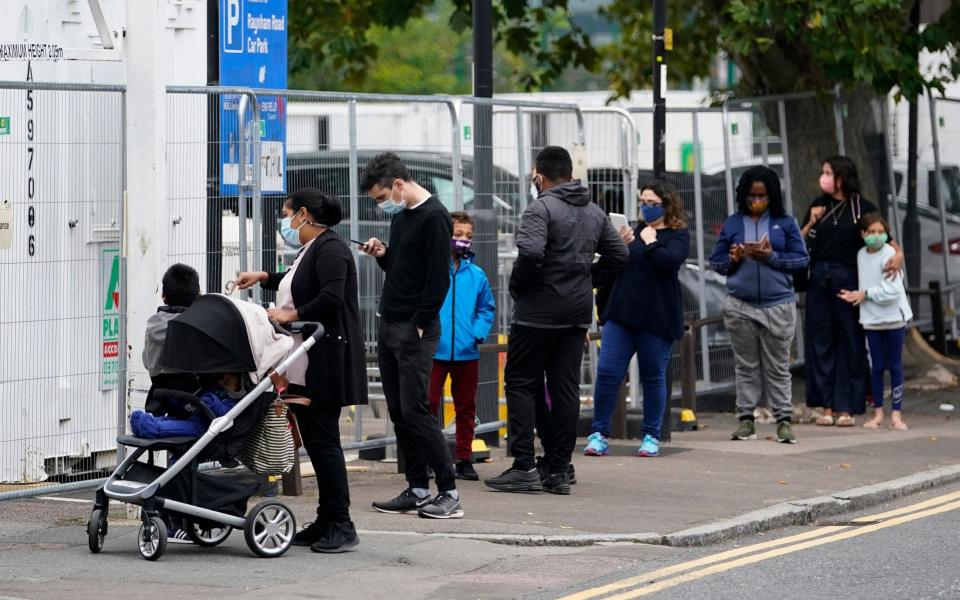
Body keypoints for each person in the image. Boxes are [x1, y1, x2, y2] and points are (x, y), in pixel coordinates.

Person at [485, 146, 628, 494]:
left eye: (534, 173)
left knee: (520, 383)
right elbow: (619, 254)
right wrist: (587, 279)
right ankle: (559, 467)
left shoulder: (541, 208)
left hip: (537, 313)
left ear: (540, 175)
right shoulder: (594, 212)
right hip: (576, 313)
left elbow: (531, 253)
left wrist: (520, 286)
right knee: (564, 389)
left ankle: (523, 465)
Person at [235, 187, 368, 553]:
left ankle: (341, 523)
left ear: (304, 214)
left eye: (286, 214)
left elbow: (330, 297)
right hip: (308, 360)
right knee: (317, 440)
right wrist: (263, 277)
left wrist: (289, 314)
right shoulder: (313, 249)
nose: (285, 222)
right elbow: (296, 281)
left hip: (325, 361)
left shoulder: (332, 250)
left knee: (324, 441)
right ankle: (327, 519)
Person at [358, 152, 463, 519]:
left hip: (413, 327)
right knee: (401, 410)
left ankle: (448, 491)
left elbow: (438, 277)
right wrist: (383, 254)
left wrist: (419, 322)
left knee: (417, 410)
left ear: (398, 185)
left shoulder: (435, 218)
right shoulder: (402, 217)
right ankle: (417, 487)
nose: (382, 205)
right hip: (391, 320)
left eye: (381, 197)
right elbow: (402, 265)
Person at [583, 180, 688, 459]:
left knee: (653, 376)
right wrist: (619, 244)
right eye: (643, 201)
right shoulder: (633, 231)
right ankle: (599, 433)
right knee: (607, 373)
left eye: (653, 203)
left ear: (667, 206)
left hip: (657, 318)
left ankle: (651, 435)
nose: (646, 207)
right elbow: (611, 264)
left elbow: (669, 262)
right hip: (623, 313)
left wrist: (652, 244)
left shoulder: (677, 235)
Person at [801, 156, 904, 427]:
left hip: (848, 276)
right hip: (819, 279)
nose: (822, 177)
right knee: (821, 341)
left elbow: (886, 239)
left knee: (849, 341)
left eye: (827, 173)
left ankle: (846, 406)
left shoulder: (861, 207)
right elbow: (799, 240)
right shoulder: (818, 205)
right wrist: (812, 222)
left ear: (841, 177)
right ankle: (825, 406)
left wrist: (899, 255)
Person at [709, 166, 809, 444]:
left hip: (778, 304)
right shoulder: (732, 224)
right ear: (743, 196)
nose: (757, 201)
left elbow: (801, 260)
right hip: (740, 305)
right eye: (752, 196)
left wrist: (771, 257)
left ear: (772, 195)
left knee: (778, 366)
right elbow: (716, 263)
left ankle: (784, 421)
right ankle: (746, 420)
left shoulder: (785, 223)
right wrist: (735, 258)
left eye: (762, 196)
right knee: (746, 365)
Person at [427, 211, 496, 481]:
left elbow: (486, 308)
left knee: (466, 407)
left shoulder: (477, 275)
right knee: (429, 404)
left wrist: (476, 334)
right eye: (457, 234)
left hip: (467, 351)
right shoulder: (433, 268)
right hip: (435, 349)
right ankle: (430, 459)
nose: (463, 240)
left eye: (468, 236)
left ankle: (464, 459)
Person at [839, 213, 913, 431]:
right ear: (863, 234)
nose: (876, 236)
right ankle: (878, 413)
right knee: (877, 367)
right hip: (871, 320)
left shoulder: (891, 254)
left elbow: (892, 291)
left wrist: (864, 294)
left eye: (881, 232)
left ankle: (897, 414)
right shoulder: (861, 255)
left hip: (893, 319)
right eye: (871, 232)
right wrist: (858, 295)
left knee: (895, 366)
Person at [142, 263, 201, 393]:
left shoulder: (152, 325)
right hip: (196, 396)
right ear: (198, 295)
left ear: (163, 296)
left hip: (162, 395)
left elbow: (146, 363)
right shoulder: (198, 325)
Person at [129, 373, 243, 438]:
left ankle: (152, 429)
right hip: (192, 415)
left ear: (239, 387)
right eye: (223, 379)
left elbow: (224, 413)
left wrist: (210, 400)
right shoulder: (216, 389)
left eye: (227, 382)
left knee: (174, 427)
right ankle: (141, 423)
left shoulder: (235, 403)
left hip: (203, 427)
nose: (222, 382)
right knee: (169, 420)